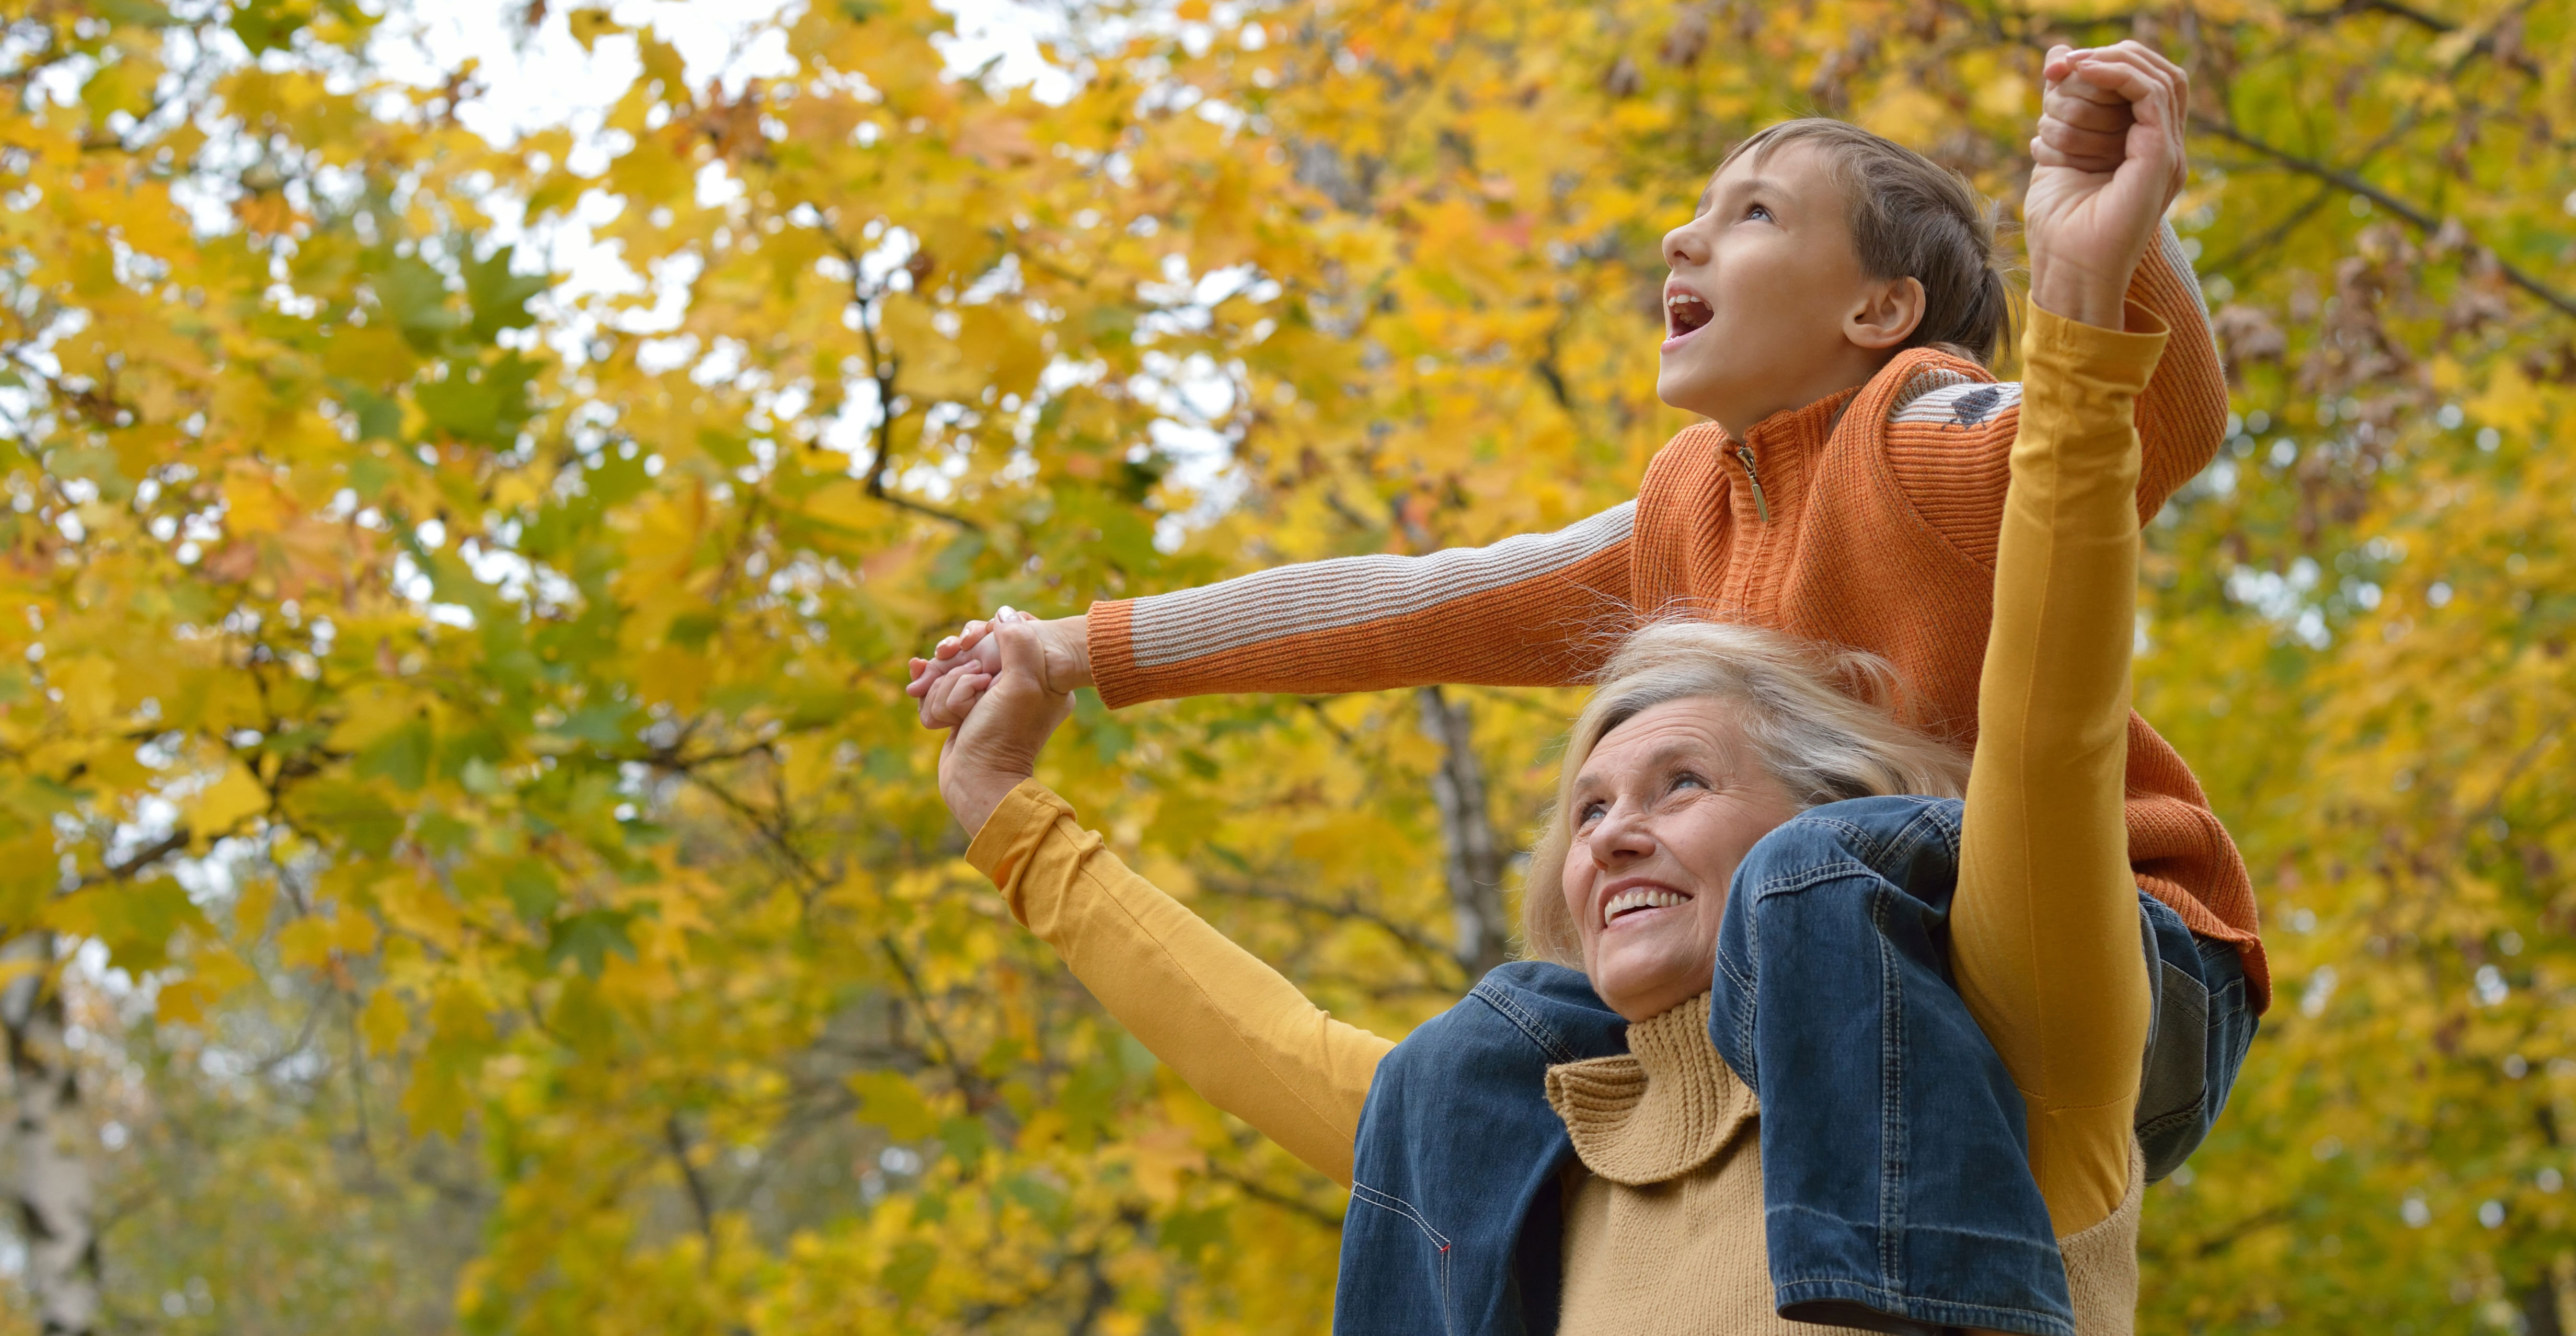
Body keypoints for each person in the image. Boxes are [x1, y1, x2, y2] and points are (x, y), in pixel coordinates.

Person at [930, 43, 2250, 1335]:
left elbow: (2131, 440)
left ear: (1879, 310)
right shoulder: (1688, 512)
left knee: (1809, 868)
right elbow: (1419, 606)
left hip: (2130, 957)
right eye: (1595, 807)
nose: (1681, 239)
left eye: (1751, 214)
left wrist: (2105, 256)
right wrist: (1079, 651)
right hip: (1828, 998)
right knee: (1472, 1054)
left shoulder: (1918, 432)